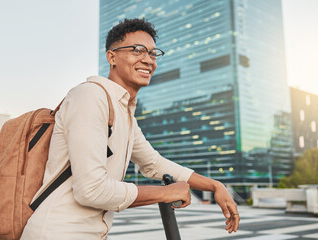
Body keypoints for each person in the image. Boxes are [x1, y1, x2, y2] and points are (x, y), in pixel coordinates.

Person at [21, 18, 240, 240]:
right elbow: (91, 189)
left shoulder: (122, 112)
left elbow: (153, 163)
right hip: (56, 233)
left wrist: (214, 185)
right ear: (112, 57)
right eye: (138, 50)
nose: (148, 60)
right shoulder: (90, 96)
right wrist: (164, 193)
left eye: (153, 54)